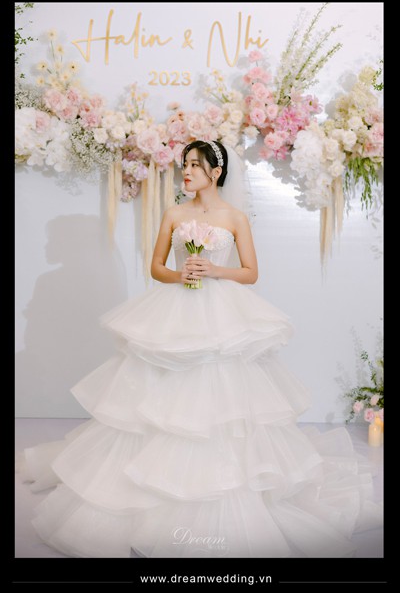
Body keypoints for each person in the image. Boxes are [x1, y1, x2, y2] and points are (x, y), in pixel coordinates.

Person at [16, 140, 382, 558]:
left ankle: (220, 477)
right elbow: (156, 266)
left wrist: (214, 269)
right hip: (175, 309)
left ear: (216, 172)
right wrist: (180, 275)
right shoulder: (175, 213)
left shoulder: (235, 217)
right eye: (184, 165)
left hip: (222, 313)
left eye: (194, 165)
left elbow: (251, 272)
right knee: (159, 395)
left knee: (221, 397)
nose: (185, 172)